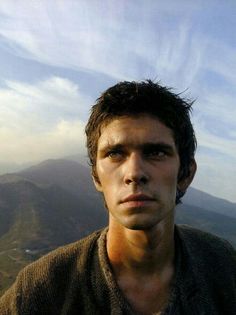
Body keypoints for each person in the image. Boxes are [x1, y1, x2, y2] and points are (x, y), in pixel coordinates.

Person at [0, 80, 235, 314]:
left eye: (156, 152)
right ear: (96, 176)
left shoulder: (223, 268)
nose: (134, 173)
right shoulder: (43, 289)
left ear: (186, 173)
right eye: (115, 154)